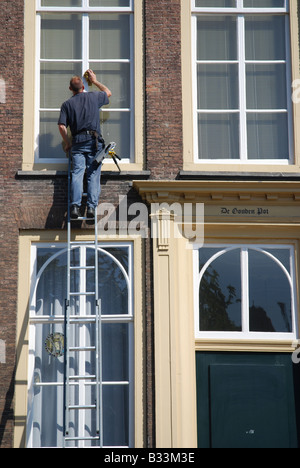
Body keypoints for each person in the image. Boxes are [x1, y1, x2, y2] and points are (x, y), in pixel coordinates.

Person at [58, 70, 112, 221]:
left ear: (70, 89)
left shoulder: (67, 104)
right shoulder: (94, 97)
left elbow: (62, 127)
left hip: (77, 144)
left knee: (77, 173)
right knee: (93, 174)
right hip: (94, 142)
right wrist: (94, 81)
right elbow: (108, 92)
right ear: (83, 86)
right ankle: (91, 208)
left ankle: (75, 206)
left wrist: (67, 143)